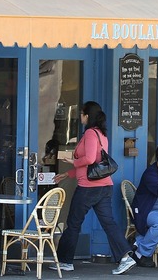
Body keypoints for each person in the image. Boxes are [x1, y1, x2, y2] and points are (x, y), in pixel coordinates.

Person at [51, 101, 136, 275]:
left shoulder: (90, 133)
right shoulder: (101, 134)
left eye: (81, 113)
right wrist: (68, 174)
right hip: (104, 186)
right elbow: (94, 164)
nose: (80, 117)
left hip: (88, 188)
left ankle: (65, 261)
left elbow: (89, 160)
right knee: (108, 223)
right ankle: (125, 258)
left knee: (73, 223)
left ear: (87, 116)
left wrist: (72, 161)